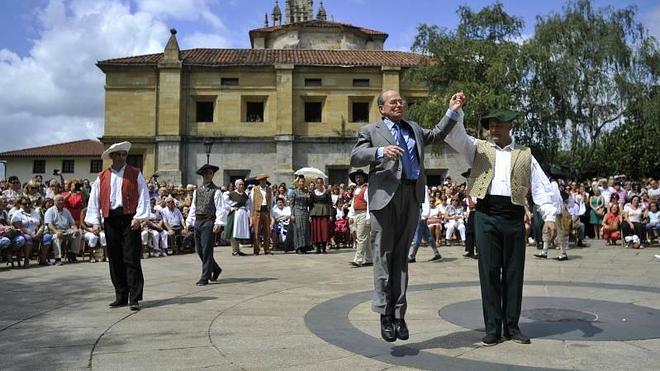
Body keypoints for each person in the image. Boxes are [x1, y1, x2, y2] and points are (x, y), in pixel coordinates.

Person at [443, 92, 557, 346]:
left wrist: (549, 215)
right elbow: (454, 136)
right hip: (486, 215)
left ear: (510, 126)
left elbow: (540, 187)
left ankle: (512, 327)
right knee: (490, 272)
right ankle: (493, 327)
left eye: (497, 124)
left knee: (514, 273)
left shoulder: (525, 154)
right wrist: (456, 111)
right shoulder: (478, 148)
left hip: (514, 216)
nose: (492, 129)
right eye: (490, 125)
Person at [350, 89, 457, 343]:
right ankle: (384, 314)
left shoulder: (414, 128)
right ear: (382, 108)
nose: (399, 104)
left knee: (401, 258)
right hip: (384, 198)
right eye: (393, 102)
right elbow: (355, 156)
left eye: (401, 101)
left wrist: (452, 111)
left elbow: (437, 134)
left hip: (411, 195)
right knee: (382, 256)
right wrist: (380, 152)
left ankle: (399, 314)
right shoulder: (371, 131)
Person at [85, 141, 150, 311]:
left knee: (131, 258)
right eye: (119, 154)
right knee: (114, 258)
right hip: (111, 219)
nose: (122, 157)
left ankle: (134, 297)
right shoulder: (102, 176)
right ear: (112, 157)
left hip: (129, 219)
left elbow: (144, 195)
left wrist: (139, 217)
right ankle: (120, 295)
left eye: (124, 154)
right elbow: (95, 199)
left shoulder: (135, 173)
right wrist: (95, 221)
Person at [186, 164, 225, 286]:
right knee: (199, 250)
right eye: (206, 173)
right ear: (202, 175)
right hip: (198, 221)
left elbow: (220, 208)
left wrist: (218, 223)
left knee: (207, 250)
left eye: (210, 173)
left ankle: (205, 277)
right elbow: (193, 207)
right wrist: (189, 222)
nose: (208, 175)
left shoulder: (216, 191)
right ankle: (216, 268)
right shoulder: (198, 191)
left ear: (212, 175)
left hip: (208, 221)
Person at [408, 186, 442, 263]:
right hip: (417, 210)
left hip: (421, 212)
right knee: (427, 235)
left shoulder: (422, 186)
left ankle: (412, 256)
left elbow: (426, 200)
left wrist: (425, 214)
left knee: (418, 234)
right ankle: (436, 253)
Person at [348, 169, 372, 267]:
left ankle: (358, 259)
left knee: (361, 237)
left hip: (363, 213)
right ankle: (369, 258)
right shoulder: (356, 190)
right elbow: (353, 203)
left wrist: (368, 217)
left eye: (359, 177)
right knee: (365, 237)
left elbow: (369, 204)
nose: (358, 179)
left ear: (363, 178)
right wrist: (351, 215)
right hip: (357, 214)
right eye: (356, 177)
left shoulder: (366, 189)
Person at [222, 179, 251, 256]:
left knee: (239, 232)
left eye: (242, 184)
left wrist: (247, 213)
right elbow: (224, 204)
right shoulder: (230, 194)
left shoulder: (245, 195)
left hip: (242, 215)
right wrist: (231, 208)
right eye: (239, 184)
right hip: (234, 215)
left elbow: (248, 205)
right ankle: (234, 250)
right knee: (233, 232)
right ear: (236, 186)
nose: (241, 186)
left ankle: (238, 250)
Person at [250, 174, 273, 255]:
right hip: (257, 211)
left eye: (265, 180)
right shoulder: (254, 189)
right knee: (257, 231)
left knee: (267, 231)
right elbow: (252, 202)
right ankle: (256, 249)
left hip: (266, 211)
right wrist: (251, 214)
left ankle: (266, 249)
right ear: (259, 181)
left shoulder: (269, 189)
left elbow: (271, 202)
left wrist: (271, 214)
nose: (263, 182)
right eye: (262, 180)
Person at [290, 175, 311, 254]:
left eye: (303, 181)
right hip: (297, 211)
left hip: (305, 211)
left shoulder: (306, 192)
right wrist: (292, 214)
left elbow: (309, 204)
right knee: (298, 229)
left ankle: (305, 246)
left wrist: (309, 198)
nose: (302, 183)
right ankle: (298, 246)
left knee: (305, 229)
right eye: (300, 181)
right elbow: (291, 204)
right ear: (298, 183)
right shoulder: (294, 192)